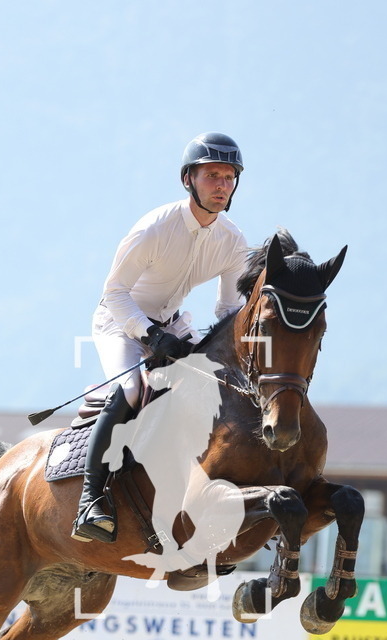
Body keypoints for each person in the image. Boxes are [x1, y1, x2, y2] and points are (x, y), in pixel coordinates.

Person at [72, 131, 248, 543]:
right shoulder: (154, 228)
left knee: (218, 389)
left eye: (228, 177)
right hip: (121, 322)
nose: (221, 186)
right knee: (132, 390)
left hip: (171, 325)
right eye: (212, 176)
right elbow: (113, 293)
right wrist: (149, 333)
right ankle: (90, 500)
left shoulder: (233, 240)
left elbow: (227, 310)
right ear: (189, 179)